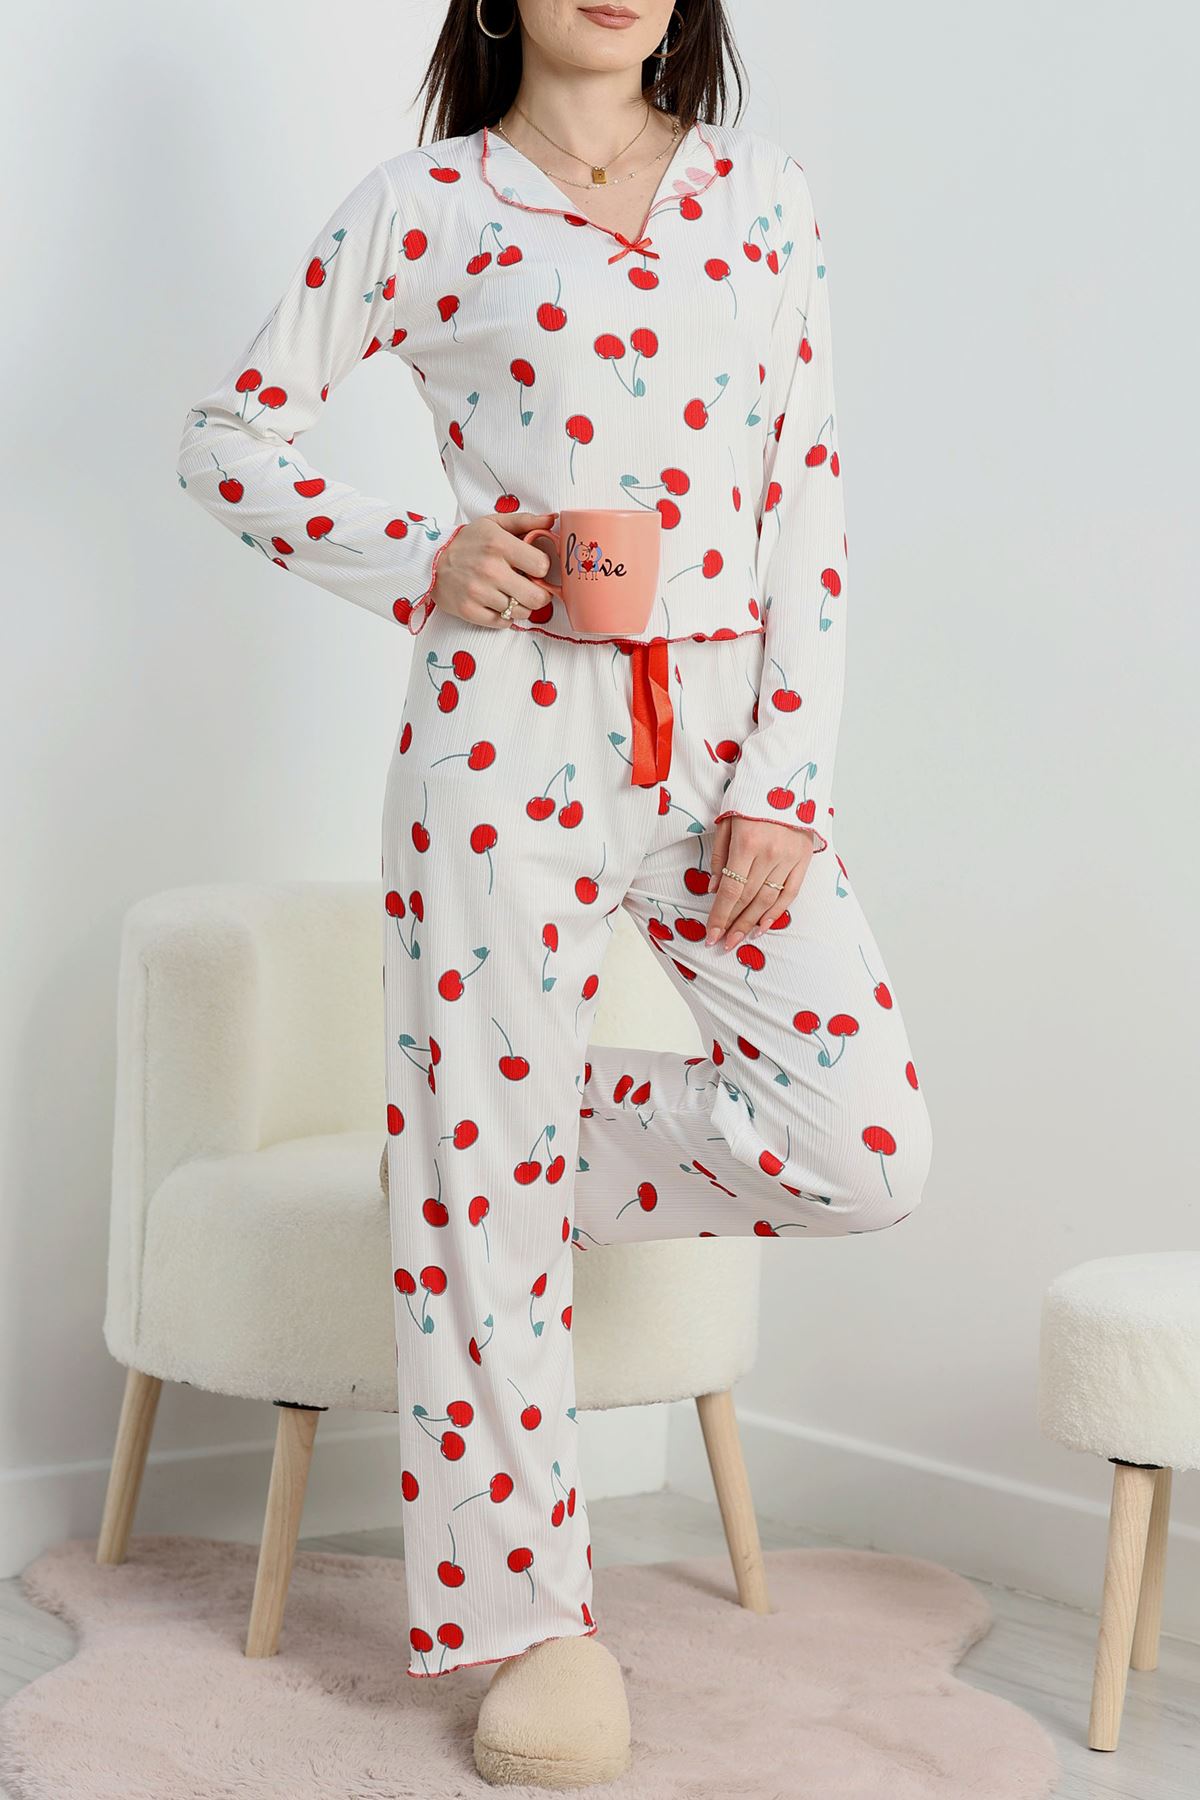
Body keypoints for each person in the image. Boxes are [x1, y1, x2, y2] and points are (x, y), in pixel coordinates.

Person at [176, 0, 934, 1785]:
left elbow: (806, 495)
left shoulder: (760, 195)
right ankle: (534, 1625)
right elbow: (228, 438)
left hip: (723, 740)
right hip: (500, 729)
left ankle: (470, 1167)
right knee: (477, 1160)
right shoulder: (423, 204)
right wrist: (421, 555)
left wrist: (787, 782)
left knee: (863, 1143)